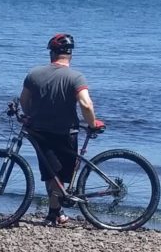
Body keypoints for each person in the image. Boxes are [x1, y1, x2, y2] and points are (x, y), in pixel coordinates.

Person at [19, 32, 103, 222]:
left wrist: (31, 116)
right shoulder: (76, 77)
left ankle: (55, 212)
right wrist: (92, 124)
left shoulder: (34, 74)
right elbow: (86, 104)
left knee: (51, 173)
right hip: (67, 132)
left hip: (40, 130)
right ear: (70, 55)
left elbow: (24, 100)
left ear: (51, 54)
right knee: (59, 176)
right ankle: (55, 212)